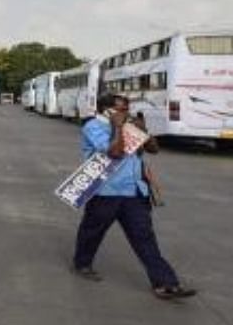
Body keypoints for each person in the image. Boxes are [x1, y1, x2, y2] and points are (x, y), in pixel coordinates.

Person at [70, 93, 195, 300]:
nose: (126, 113)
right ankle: (82, 263)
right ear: (107, 110)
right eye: (122, 109)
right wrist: (118, 127)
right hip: (105, 191)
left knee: (144, 237)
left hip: (134, 193)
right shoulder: (93, 127)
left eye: (127, 109)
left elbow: (154, 149)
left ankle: (165, 283)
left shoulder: (130, 126)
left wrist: (144, 130)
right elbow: (115, 153)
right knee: (92, 231)